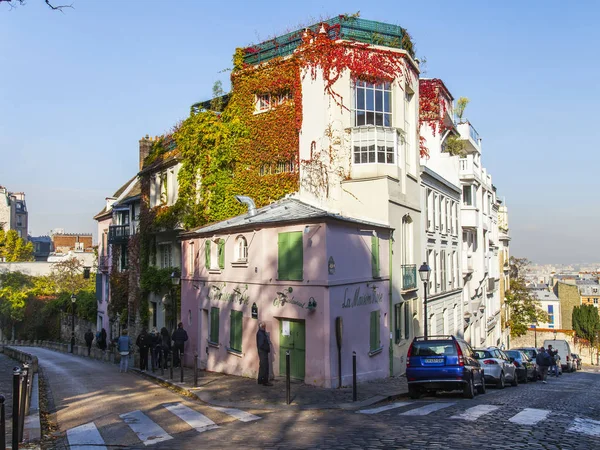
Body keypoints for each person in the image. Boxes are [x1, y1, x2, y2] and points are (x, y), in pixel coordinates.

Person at [256, 321, 272, 386]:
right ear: (262, 326)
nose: (265, 327)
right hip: (263, 352)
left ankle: (260, 380)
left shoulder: (261, 333)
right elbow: (261, 344)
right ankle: (265, 381)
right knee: (265, 366)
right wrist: (267, 348)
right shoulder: (261, 334)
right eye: (264, 326)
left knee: (262, 366)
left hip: (262, 352)